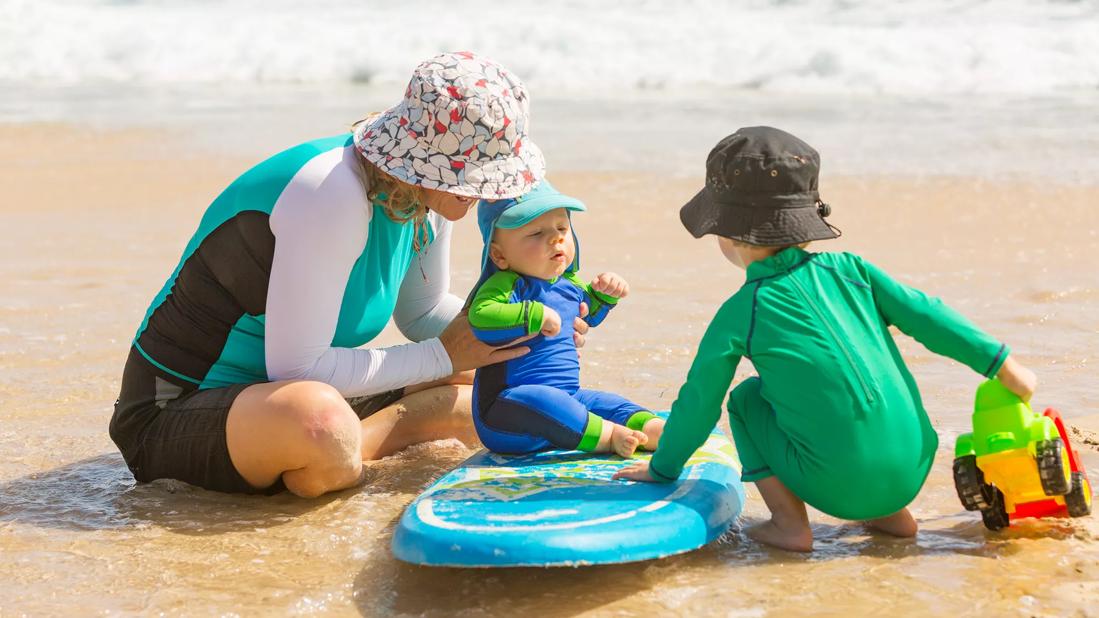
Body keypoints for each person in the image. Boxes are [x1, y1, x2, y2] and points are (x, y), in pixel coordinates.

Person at [109, 51, 594, 498]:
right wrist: (445, 355)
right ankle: (354, 443)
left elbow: (423, 312)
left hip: (282, 395)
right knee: (322, 425)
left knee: (493, 372)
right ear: (427, 163)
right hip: (175, 408)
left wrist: (525, 324)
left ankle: (364, 438)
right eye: (482, 174)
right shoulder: (331, 193)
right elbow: (297, 370)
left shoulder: (428, 199)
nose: (487, 191)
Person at [614, 126, 1037, 552]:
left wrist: (664, 468)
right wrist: (1002, 365)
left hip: (836, 487)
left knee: (746, 400)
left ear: (727, 233)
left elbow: (699, 402)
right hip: (915, 466)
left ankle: (789, 525)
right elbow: (930, 317)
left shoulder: (743, 309)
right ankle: (891, 515)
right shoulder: (853, 269)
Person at [468, 181, 664, 457]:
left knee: (604, 402)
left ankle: (652, 428)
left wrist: (605, 295)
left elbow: (589, 315)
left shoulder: (568, 284)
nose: (555, 238)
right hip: (507, 411)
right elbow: (481, 317)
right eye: (536, 232)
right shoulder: (506, 285)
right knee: (547, 402)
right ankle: (608, 437)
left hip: (567, 397)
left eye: (562, 228)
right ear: (499, 255)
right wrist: (533, 315)